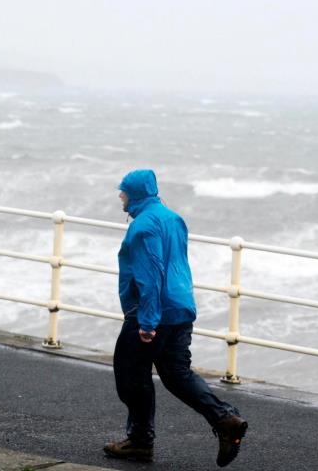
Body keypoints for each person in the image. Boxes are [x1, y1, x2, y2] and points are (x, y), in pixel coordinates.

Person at [104, 169, 248, 467]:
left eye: (124, 191)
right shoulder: (174, 218)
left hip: (152, 310)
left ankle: (140, 443)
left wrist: (147, 322)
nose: (120, 195)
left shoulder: (142, 226)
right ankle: (225, 420)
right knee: (176, 374)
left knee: (131, 375)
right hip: (181, 306)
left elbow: (151, 274)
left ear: (136, 194)